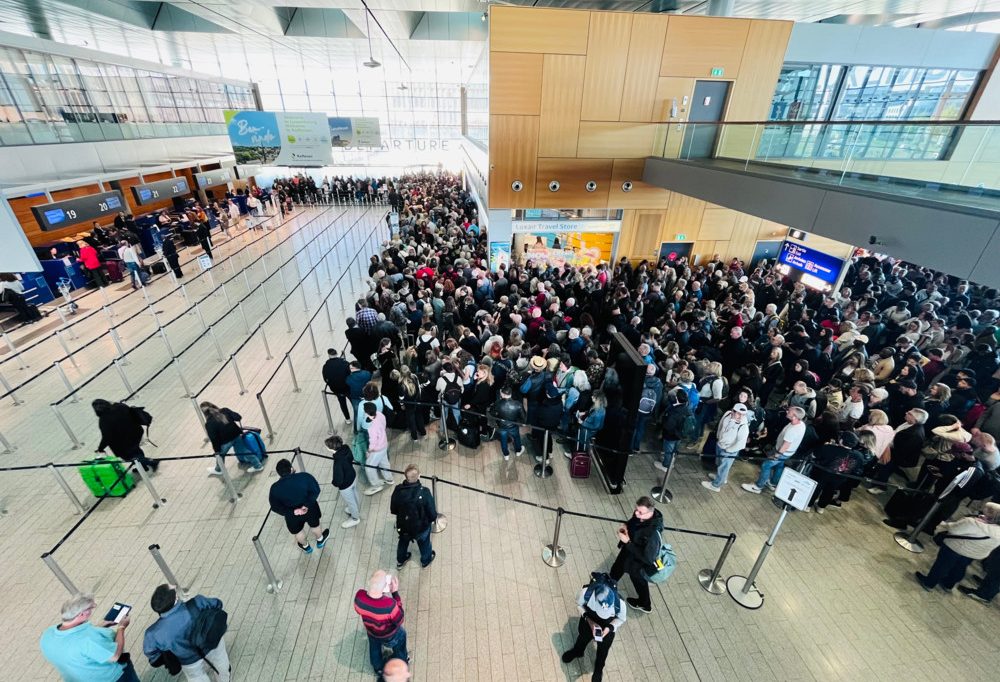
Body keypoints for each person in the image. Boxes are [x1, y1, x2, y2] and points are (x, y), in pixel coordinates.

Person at [40, 593, 140, 682]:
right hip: (112, 678)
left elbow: (76, 643)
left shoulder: (48, 634)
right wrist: (121, 628)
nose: (93, 608)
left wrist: (101, 625)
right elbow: (114, 656)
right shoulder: (87, 640)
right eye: (90, 608)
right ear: (81, 614)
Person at [143, 584, 230, 682]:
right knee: (221, 663)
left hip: (188, 661)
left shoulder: (152, 634)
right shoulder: (197, 602)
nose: (174, 585)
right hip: (212, 645)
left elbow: (153, 658)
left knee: (196, 678)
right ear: (175, 598)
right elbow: (218, 604)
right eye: (173, 588)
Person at [916, 502, 1000, 592]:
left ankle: (929, 583)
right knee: (960, 568)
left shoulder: (973, 523)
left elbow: (954, 530)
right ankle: (948, 585)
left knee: (942, 565)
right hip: (974, 553)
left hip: (956, 547)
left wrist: (944, 525)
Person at [561, 572, 627, 682]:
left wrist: (609, 628)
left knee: (603, 650)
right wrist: (589, 620)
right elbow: (579, 605)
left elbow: (621, 619)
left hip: (607, 627)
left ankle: (598, 669)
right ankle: (578, 651)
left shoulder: (620, 604)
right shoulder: (585, 593)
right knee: (582, 637)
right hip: (588, 620)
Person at [609, 496, 663, 613]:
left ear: (651, 512)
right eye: (636, 510)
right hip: (629, 551)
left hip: (638, 562)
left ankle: (645, 604)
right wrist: (626, 526)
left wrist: (627, 542)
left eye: (640, 512)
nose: (637, 514)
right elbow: (633, 522)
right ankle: (608, 585)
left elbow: (648, 559)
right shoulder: (641, 516)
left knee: (638, 580)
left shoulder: (653, 534)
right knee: (617, 567)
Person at [354, 570, 408, 678]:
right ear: (384, 588)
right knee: (402, 637)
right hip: (389, 635)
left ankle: (378, 667)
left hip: (371, 631)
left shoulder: (359, 597)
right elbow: (400, 619)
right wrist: (395, 593)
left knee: (374, 646)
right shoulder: (389, 605)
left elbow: (360, 610)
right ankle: (402, 660)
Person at [268, 458, 329, 553]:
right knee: (315, 525)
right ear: (291, 468)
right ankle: (320, 540)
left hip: (292, 516)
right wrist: (305, 505)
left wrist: (293, 511)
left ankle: (306, 546)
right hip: (310, 509)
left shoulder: (274, 488)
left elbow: (275, 507)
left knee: (298, 532)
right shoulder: (305, 477)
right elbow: (316, 490)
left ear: (279, 473)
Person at [741, 406, 807, 494]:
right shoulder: (800, 424)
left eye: (789, 411)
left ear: (794, 416)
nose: (787, 411)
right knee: (779, 466)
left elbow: (786, 445)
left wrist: (777, 454)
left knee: (766, 465)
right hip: (788, 453)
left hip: (782, 452)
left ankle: (758, 486)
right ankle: (772, 483)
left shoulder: (793, 430)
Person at [390, 464, 437, 569]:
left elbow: (393, 509)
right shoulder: (424, 492)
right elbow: (432, 514)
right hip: (422, 528)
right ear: (419, 476)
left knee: (403, 542)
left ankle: (400, 561)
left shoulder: (398, 490)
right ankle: (425, 560)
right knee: (424, 544)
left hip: (404, 527)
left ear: (405, 476)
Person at [93, 398, 157, 472]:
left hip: (123, 442)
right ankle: (143, 467)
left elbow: (106, 437)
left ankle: (152, 462)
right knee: (136, 450)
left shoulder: (104, 420)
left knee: (128, 456)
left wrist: (100, 448)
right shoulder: (119, 406)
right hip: (136, 432)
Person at [202, 402, 263, 475]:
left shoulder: (209, 423)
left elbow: (214, 439)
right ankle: (258, 466)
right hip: (236, 435)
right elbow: (238, 417)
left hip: (225, 442)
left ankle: (219, 470)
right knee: (244, 450)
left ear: (205, 413)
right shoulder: (225, 410)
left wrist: (216, 451)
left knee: (220, 455)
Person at [704, 403, 751, 492]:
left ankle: (716, 485)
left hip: (729, 450)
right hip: (720, 444)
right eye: (738, 413)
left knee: (724, 467)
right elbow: (721, 425)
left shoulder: (744, 426)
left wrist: (729, 450)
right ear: (733, 411)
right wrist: (718, 437)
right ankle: (721, 477)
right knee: (719, 464)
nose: (741, 416)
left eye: (743, 415)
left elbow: (741, 444)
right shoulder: (727, 414)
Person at [326, 434, 361, 529]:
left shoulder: (338, 462)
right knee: (355, 493)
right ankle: (356, 509)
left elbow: (338, 479)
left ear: (332, 449)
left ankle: (355, 518)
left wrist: (334, 483)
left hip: (345, 485)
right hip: (353, 476)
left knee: (350, 501)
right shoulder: (346, 448)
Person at [361, 402, 394, 495]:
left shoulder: (372, 427)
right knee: (384, 462)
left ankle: (376, 485)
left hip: (377, 449)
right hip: (384, 443)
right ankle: (389, 478)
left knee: (369, 467)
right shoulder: (380, 414)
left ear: (367, 413)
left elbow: (373, 441)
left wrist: (369, 450)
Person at [658, 389, 690, 473]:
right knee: (674, 449)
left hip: (671, 435)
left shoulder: (675, 411)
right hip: (679, 435)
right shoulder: (686, 408)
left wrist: (663, 428)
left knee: (668, 450)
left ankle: (666, 465)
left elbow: (668, 426)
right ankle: (671, 461)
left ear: (676, 398)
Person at [492, 384, 526, 461]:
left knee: (503, 440)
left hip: (502, 425)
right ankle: (518, 451)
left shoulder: (498, 403)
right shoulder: (518, 404)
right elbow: (523, 417)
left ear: (503, 394)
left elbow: (492, 413)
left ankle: (506, 455)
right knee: (517, 438)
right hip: (513, 425)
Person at [322, 348, 353, 425]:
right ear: (337, 354)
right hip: (347, 387)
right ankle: (358, 414)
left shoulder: (326, 366)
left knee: (342, 403)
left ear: (329, 355)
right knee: (353, 401)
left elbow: (325, 379)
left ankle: (347, 419)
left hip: (336, 389)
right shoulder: (344, 363)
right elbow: (350, 374)